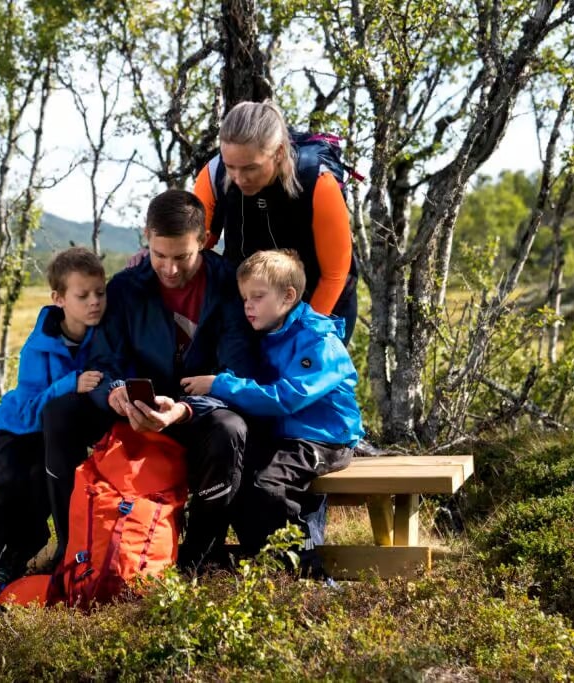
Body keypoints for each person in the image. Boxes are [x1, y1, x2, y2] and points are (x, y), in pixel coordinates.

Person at [42, 189, 259, 572]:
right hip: (132, 410)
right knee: (62, 413)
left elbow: (239, 375)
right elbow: (103, 362)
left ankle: (196, 560)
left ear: (205, 240)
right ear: (146, 236)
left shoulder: (229, 286)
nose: (169, 269)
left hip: (193, 414)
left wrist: (183, 410)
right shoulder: (126, 288)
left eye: (182, 257)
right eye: (159, 255)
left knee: (231, 428)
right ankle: (73, 549)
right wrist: (114, 395)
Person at [181, 249, 364, 573]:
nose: (247, 305)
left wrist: (219, 384)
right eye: (244, 298)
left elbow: (287, 398)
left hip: (325, 439)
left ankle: (308, 572)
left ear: (288, 296)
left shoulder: (317, 339)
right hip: (287, 438)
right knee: (238, 482)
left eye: (257, 296)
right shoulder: (264, 335)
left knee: (268, 487)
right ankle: (266, 569)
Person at [0, 247, 107, 603]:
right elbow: (31, 406)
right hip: (14, 431)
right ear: (59, 298)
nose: (94, 302)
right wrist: (71, 383)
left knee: (43, 488)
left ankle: (13, 563)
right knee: (11, 487)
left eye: (100, 292)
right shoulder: (39, 346)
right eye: (82, 296)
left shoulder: (102, 337)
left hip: (49, 438)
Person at [192, 100, 359, 347]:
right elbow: (193, 244)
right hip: (251, 302)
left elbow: (335, 274)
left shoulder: (318, 182)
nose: (238, 178)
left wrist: (302, 336)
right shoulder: (213, 174)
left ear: (279, 152)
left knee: (302, 379)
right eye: (231, 167)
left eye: (250, 168)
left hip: (320, 298)